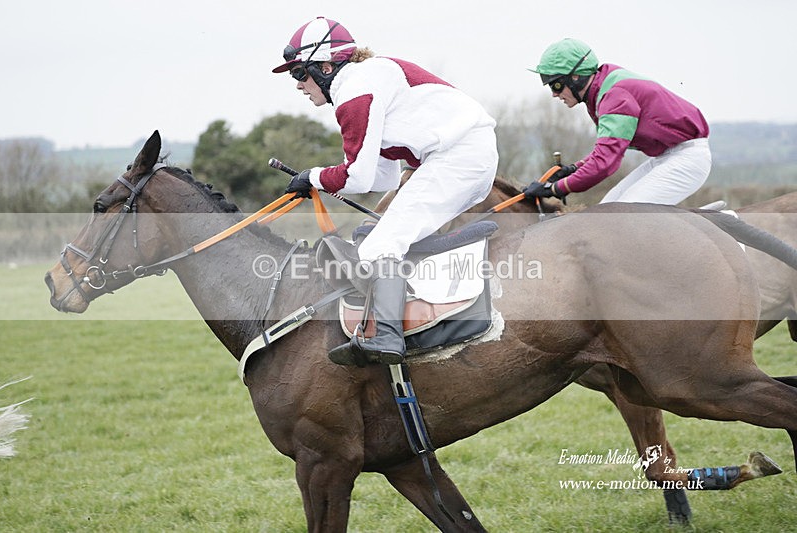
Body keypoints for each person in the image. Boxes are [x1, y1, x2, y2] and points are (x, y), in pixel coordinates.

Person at [272, 17, 498, 366]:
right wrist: (319, 179)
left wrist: (313, 177)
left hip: (459, 157)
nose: (299, 86)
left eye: (300, 74)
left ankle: (388, 338)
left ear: (326, 67)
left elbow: (357, 178)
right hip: (466, 156)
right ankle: (420, 319)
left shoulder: (354, 91)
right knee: (383, 235)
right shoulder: (364, 82)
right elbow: (384, 177)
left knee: (380, 245)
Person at [523, 38, 711, 205]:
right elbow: (607, 150)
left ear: (575, 77)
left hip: (687, 158)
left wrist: (555, 189)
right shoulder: (602, 89)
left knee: (623, 218)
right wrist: (574, 169)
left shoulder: (614, 97)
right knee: (606, 210)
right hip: (668, 156)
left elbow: (605, 162)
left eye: (556, 85)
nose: (555, 94)